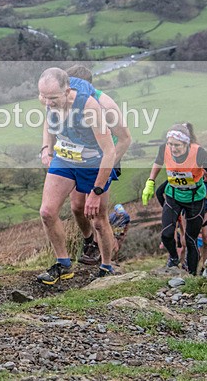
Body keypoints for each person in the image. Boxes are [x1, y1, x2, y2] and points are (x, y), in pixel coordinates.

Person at [37, 67, 119, 282]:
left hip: (93, 164)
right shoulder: (49, 101)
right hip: (64, 158)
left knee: (99, 220)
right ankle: (63, 263)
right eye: (43, 97)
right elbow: (48, 121)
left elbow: (110, 151)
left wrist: (97, 191)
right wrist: (46, 148)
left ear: (67, 91)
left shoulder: (89, 107)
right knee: (47, 211)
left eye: (52, 98)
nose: (47, 102)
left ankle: (107, 266)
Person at [65, 64, 132, 267]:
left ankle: (106, 263)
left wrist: (107, 168)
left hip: (105, 157)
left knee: (97, 214)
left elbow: (125, 139)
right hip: (80, 157)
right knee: (77, 206)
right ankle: (89, 242)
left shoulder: (105, 105)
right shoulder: (66, 100)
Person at [142, 123, 207, 275]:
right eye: (170, 144)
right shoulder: (164, 149)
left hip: (195, 200)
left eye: (177, 145)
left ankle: (191, 275)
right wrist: (150, 181)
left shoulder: (199, 153)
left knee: (190, 240)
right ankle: (174, 258)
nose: (173, 148)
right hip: (173, 196)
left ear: (186, 144)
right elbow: (158, 162)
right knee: (166, 234)